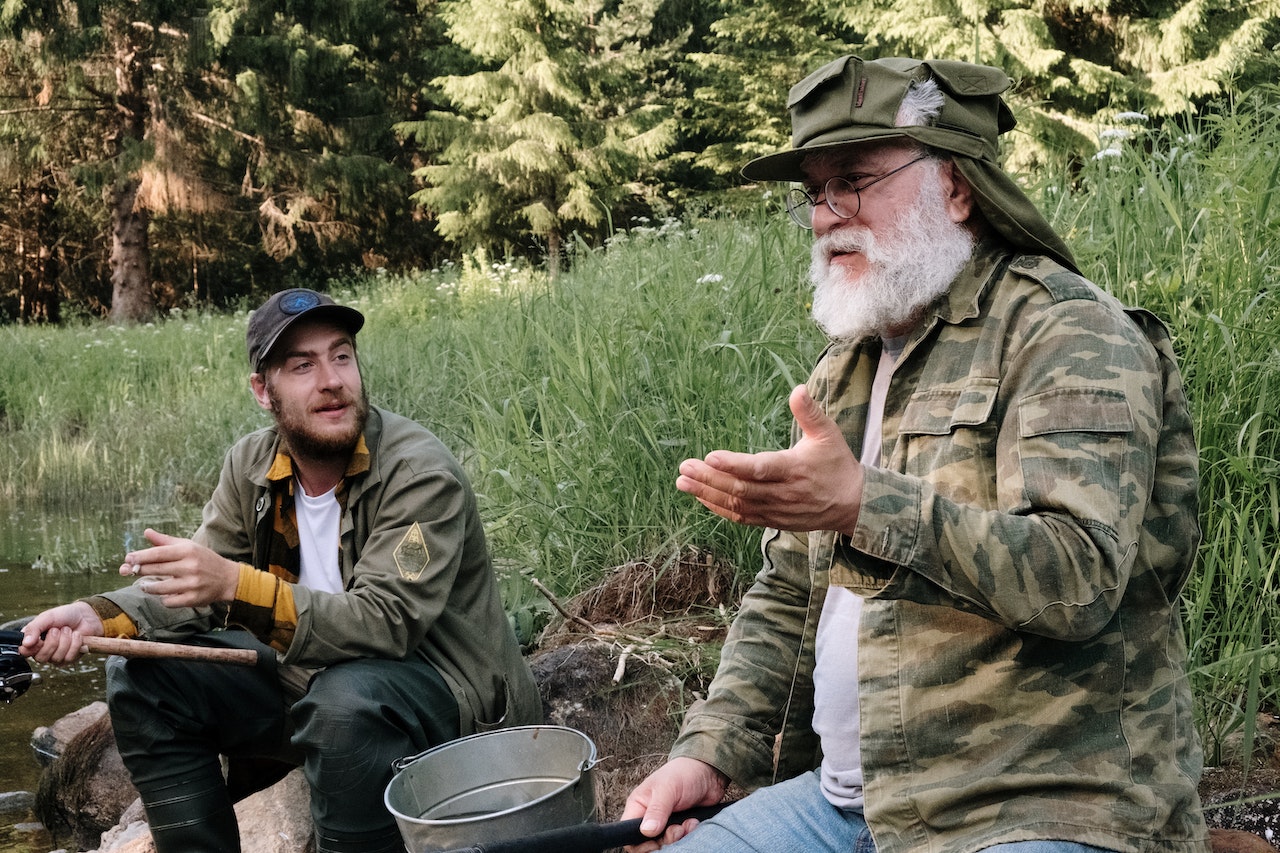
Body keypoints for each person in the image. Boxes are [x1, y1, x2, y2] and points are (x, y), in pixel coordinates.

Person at [622, 56, 1210, 853]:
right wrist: (709, 751)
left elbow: (1080, 574)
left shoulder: (1066, 331)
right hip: (850, 804)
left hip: (1038, 799)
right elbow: (792, 591)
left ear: (958, 188)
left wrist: (865, 504)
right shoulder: (848, 368)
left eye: (855, 179)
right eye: (814, 191)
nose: (828, 214)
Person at [21, 288, 542, 853]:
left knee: (345, 702)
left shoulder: (416, 472)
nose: (332, 380)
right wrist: (97, 616)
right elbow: (196, 587)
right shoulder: (253, 464)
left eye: (341, 356)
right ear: (262, 391)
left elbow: (388, 625)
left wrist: (235, 584)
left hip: (446, 697)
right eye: (302, 366)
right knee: (143, 679)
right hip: (322, 686)